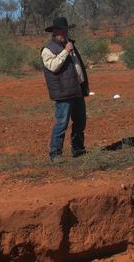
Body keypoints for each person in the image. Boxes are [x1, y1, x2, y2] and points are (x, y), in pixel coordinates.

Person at [41, 17, 89, 161]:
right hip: (63, 92)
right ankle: (55, 154)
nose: (65, 33)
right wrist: (65, 52)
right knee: (62, 123)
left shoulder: (69, 44)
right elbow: (53, 66)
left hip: (77, 90)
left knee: (80, 121)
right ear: (55, 32)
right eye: (62, 30)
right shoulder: (48, 49)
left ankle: (78, 149)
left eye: (66, 30)